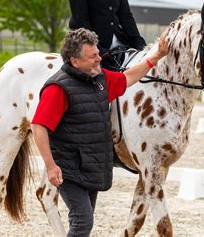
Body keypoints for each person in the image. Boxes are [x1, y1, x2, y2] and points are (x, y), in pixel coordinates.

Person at [31, 28, 168, 236]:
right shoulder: (58, 88)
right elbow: (38, 126)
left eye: (98, 54)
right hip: (67, 168)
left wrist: (156, 56)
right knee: (82, 222)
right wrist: (50, 166)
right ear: (75, 61)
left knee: (85, 221)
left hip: (90, 166)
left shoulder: (100, 79)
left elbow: (128, 78)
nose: (98, 59)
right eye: (93, 56)